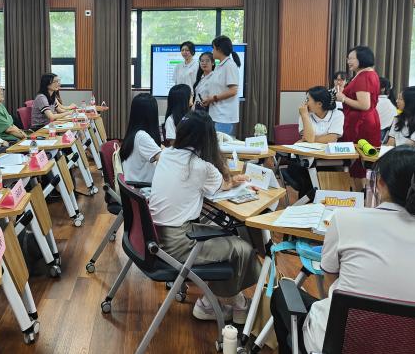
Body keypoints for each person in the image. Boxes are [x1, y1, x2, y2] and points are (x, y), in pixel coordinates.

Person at [270, 145, 415, 354]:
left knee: (282, 295)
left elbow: (329, 285)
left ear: (380, 182)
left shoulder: (345, 220)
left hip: (337, 344)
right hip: (414, 346)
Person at [149, 110, 260, 323]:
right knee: (243, 248)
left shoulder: (166, 154)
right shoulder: (201, 167)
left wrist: (230, 181)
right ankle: (218, 304)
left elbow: (219, 184)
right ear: (208, 138)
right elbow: (222, 184)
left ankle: (226, 302)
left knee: (225, 234)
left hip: (156, 237)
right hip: (179, 243)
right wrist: (233, 179)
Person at [281, 87, 344, 201]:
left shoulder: (337, 115)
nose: (305, 103)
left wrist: (309, 139)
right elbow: (310, 138)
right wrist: (305, 116)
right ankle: (306, 208)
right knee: (308, 180)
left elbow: (330, 138)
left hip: (327, 161)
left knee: (335, 179)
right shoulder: (304, 114)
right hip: (302, 161)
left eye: (308, 99)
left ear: (319, 104)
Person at [335, 46, 380, 187]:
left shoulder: (363, 76)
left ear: (362, 58)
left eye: (351, 58)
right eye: (348, 58)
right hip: (367, 120)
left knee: (360, 163)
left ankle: (360, 194)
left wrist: (342, 98)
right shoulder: (370, 74)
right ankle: (362, 194)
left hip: (361, 123)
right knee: (363, 162)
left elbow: (364, 105)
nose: (348, 61)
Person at [201, 35, 241, 136]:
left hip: (224, 116)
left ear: (219, 49)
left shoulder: (229, 65)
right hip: (216, 114)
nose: (212, 51)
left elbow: (233, 91)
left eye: (213, 48)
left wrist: (213, 98)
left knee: (221, 145)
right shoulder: (220, 66)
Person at [119, 93, 162, 184]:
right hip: (141, 187)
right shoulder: (142, 137)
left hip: (136, 184)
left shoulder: (136, 133)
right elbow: (163, 159)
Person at [377, 76, 397, 142]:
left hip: (376, 135)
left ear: (382, 89)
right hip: (383, 137)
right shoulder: (391, 103)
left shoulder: (377, 102)